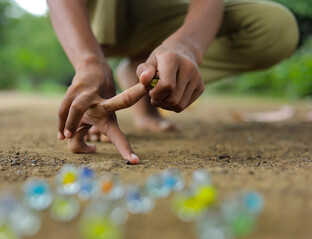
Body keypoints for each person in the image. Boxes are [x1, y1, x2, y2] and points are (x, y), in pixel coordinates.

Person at [47, 0, 299, 164]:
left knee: (277, 27)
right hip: (92, 17)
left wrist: (187, 45)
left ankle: (148, 71)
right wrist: (89, 62)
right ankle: (99, 80)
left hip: (162, 14)